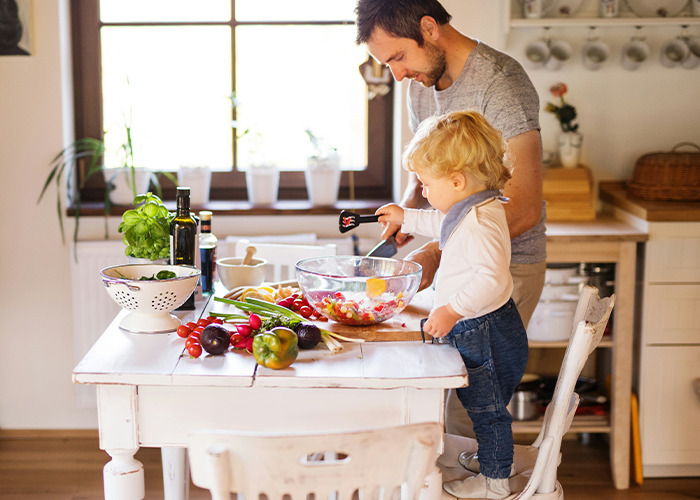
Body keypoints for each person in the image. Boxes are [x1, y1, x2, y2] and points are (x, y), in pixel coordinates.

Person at [355, 0, 546, 442]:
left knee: (468, 406)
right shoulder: (420, 85)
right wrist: (406, 217)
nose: (397, 74)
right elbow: (428, 172)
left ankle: (481, 483)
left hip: (501, 269)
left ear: (429, 28)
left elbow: (520, 208)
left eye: (398, 58)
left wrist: (436, 249)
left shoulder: (501, 83)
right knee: (432, 395)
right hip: (455, 262)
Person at [376, 111, 527, 499]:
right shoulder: (472, 208)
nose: (424, 191)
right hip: (483, 325)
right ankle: (496, 459)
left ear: (457, 181)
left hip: (482, 328)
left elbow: (492, 280)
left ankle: (495, 482)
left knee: (486, 406)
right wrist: (404, 215)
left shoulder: (479, 222)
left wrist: (452, 310)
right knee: (482, 401)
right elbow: (440, 221)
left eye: (426, 184)